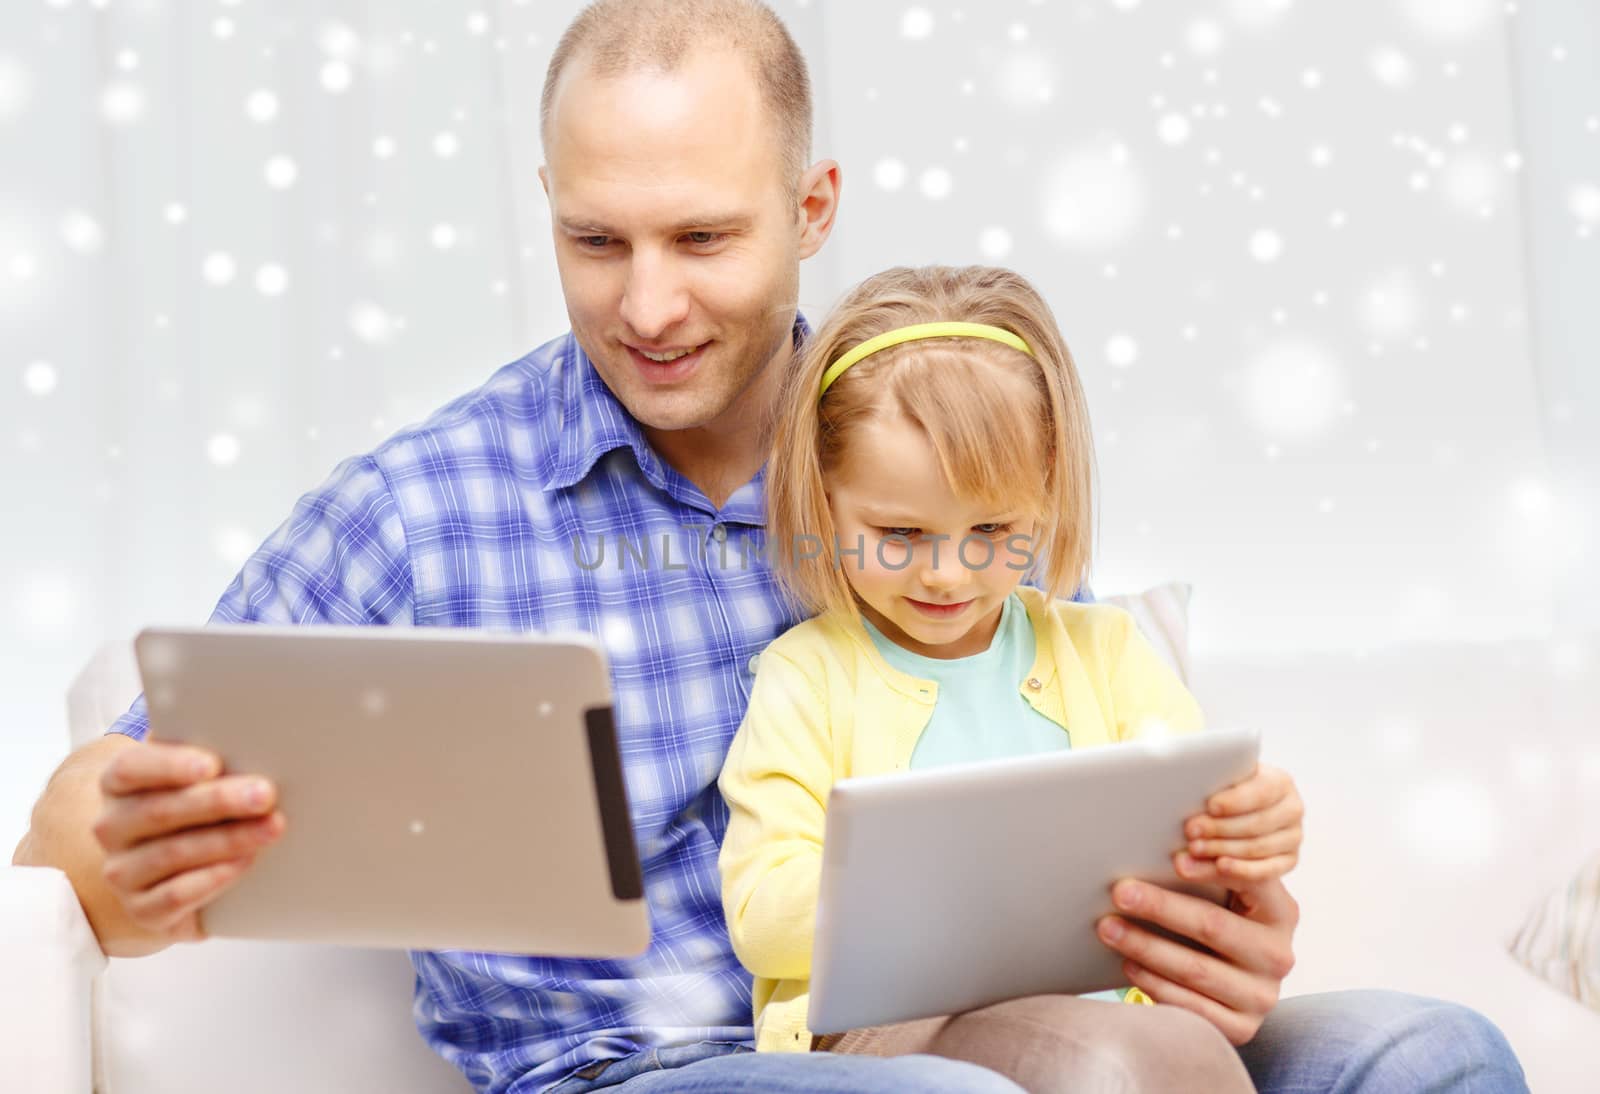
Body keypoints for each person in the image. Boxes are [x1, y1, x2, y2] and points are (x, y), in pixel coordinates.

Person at [11, 2, 1527, 1092]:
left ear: (812, 210)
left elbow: (1069, 776)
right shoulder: (421, 511)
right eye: (596, 241)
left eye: (704, 239)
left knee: (1432, 1051)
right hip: (642, 1070)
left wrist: (1212, 937)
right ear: (541, 208)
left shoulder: (931, 443)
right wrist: (102, 852)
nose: (647, 306)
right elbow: (85, 827)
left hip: (1018, 1022)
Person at [717, 265, 1302, 1093]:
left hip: (1113, 1022)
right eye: (900, 532)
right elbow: (760, 916)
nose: (948, 574)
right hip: (883, 1040)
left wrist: (1252, 831)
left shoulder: (1107, 652)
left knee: (1158, 1052)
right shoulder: (807, 677)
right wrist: (953, 882)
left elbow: (1190, 836)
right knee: (1121, 1062)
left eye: (991, 528)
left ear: (1048, 500)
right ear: (823, 497)